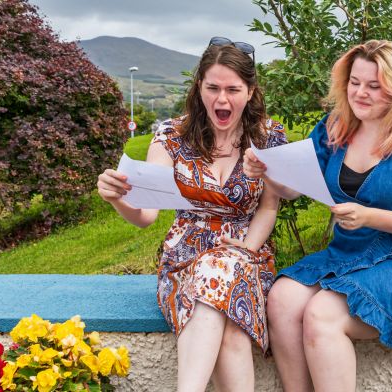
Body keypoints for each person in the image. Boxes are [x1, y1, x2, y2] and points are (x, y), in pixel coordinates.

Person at [243, 39, 392, 391]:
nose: (361, 93)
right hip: (350, 254)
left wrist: (368, 216)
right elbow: (295, 189)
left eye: (374, 86)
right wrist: (266, 172)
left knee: (322, 313)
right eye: (355, 82)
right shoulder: (336, 128)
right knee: (282, 299)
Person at [97, 37, 286, 392]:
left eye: (233, 89)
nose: (221, 99)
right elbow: (146, 214)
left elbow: (269, 207)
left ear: (250, 91)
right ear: (199, 86)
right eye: (212, 87)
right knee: (230, 330)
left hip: (248, 254)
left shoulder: (268, 137)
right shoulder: (171, 136)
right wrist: (117, 198)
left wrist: (245, 249)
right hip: (184, 261)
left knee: (221, 270)